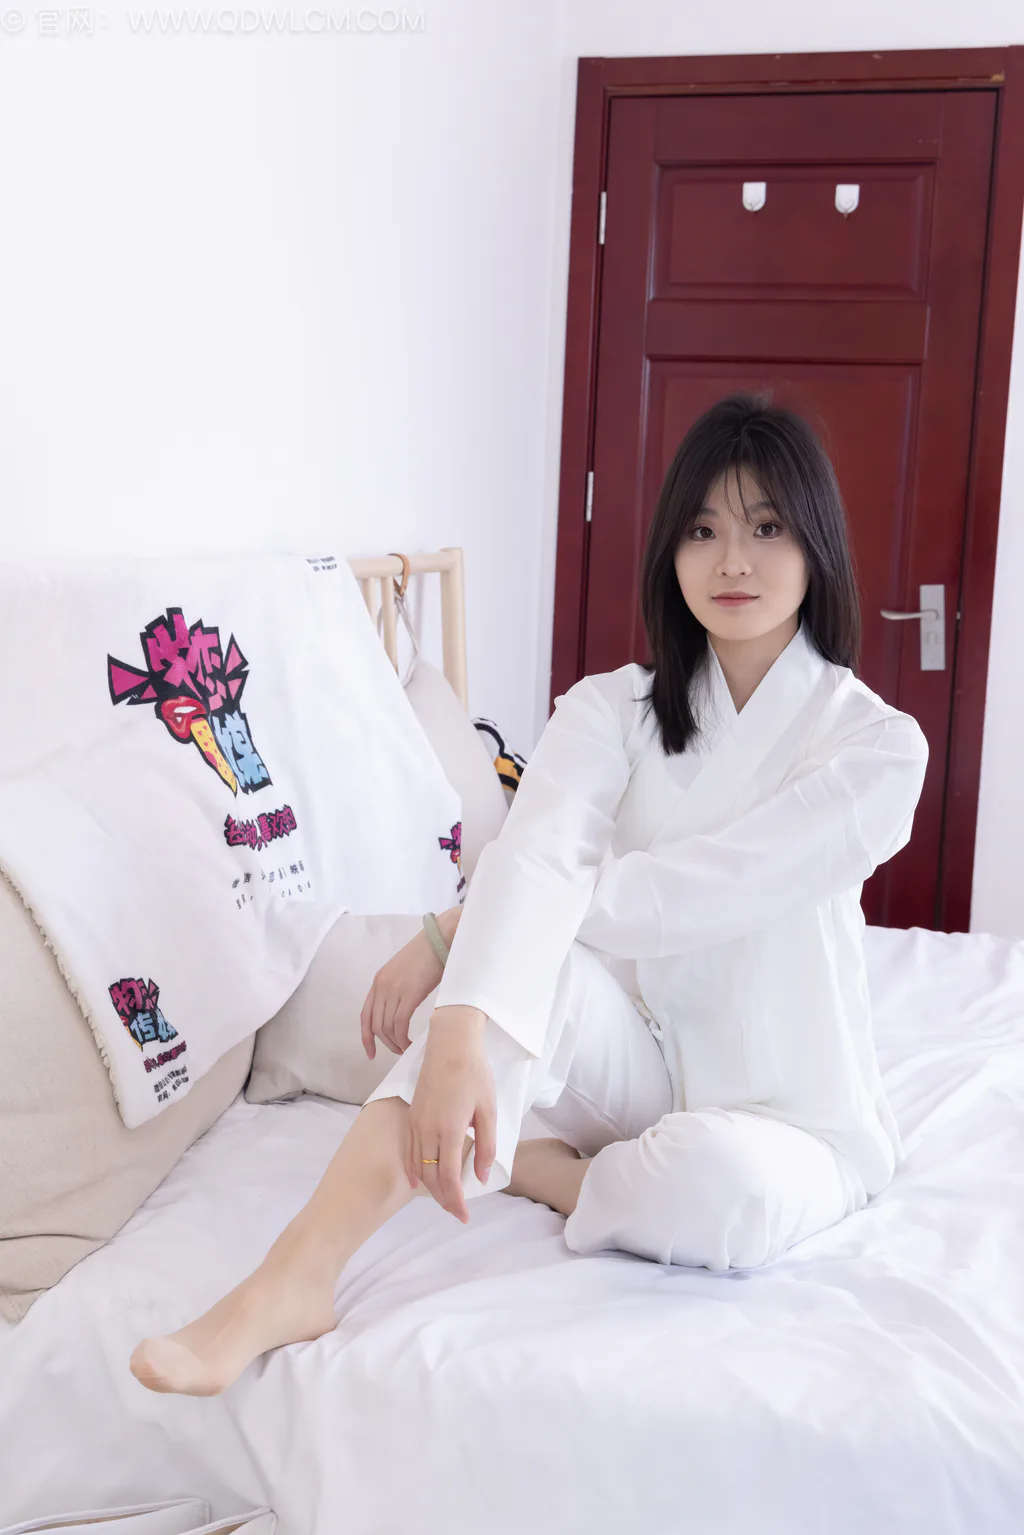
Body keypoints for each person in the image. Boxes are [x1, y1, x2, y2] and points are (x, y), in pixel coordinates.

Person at [129, 391, 929, 1398]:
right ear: (670, 550)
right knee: (522, 980)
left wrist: (465, 925)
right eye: (703, 529)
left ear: (816, 545)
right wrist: (463, 1017)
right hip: (647, 1067)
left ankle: (556, 1173)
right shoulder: (610, 708)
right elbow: (537, 852)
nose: (733, 559)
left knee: (720, 1192)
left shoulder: (877, 748)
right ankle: (294, 1274)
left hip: (792, 1117)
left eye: (766, 527)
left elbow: (703, 890)